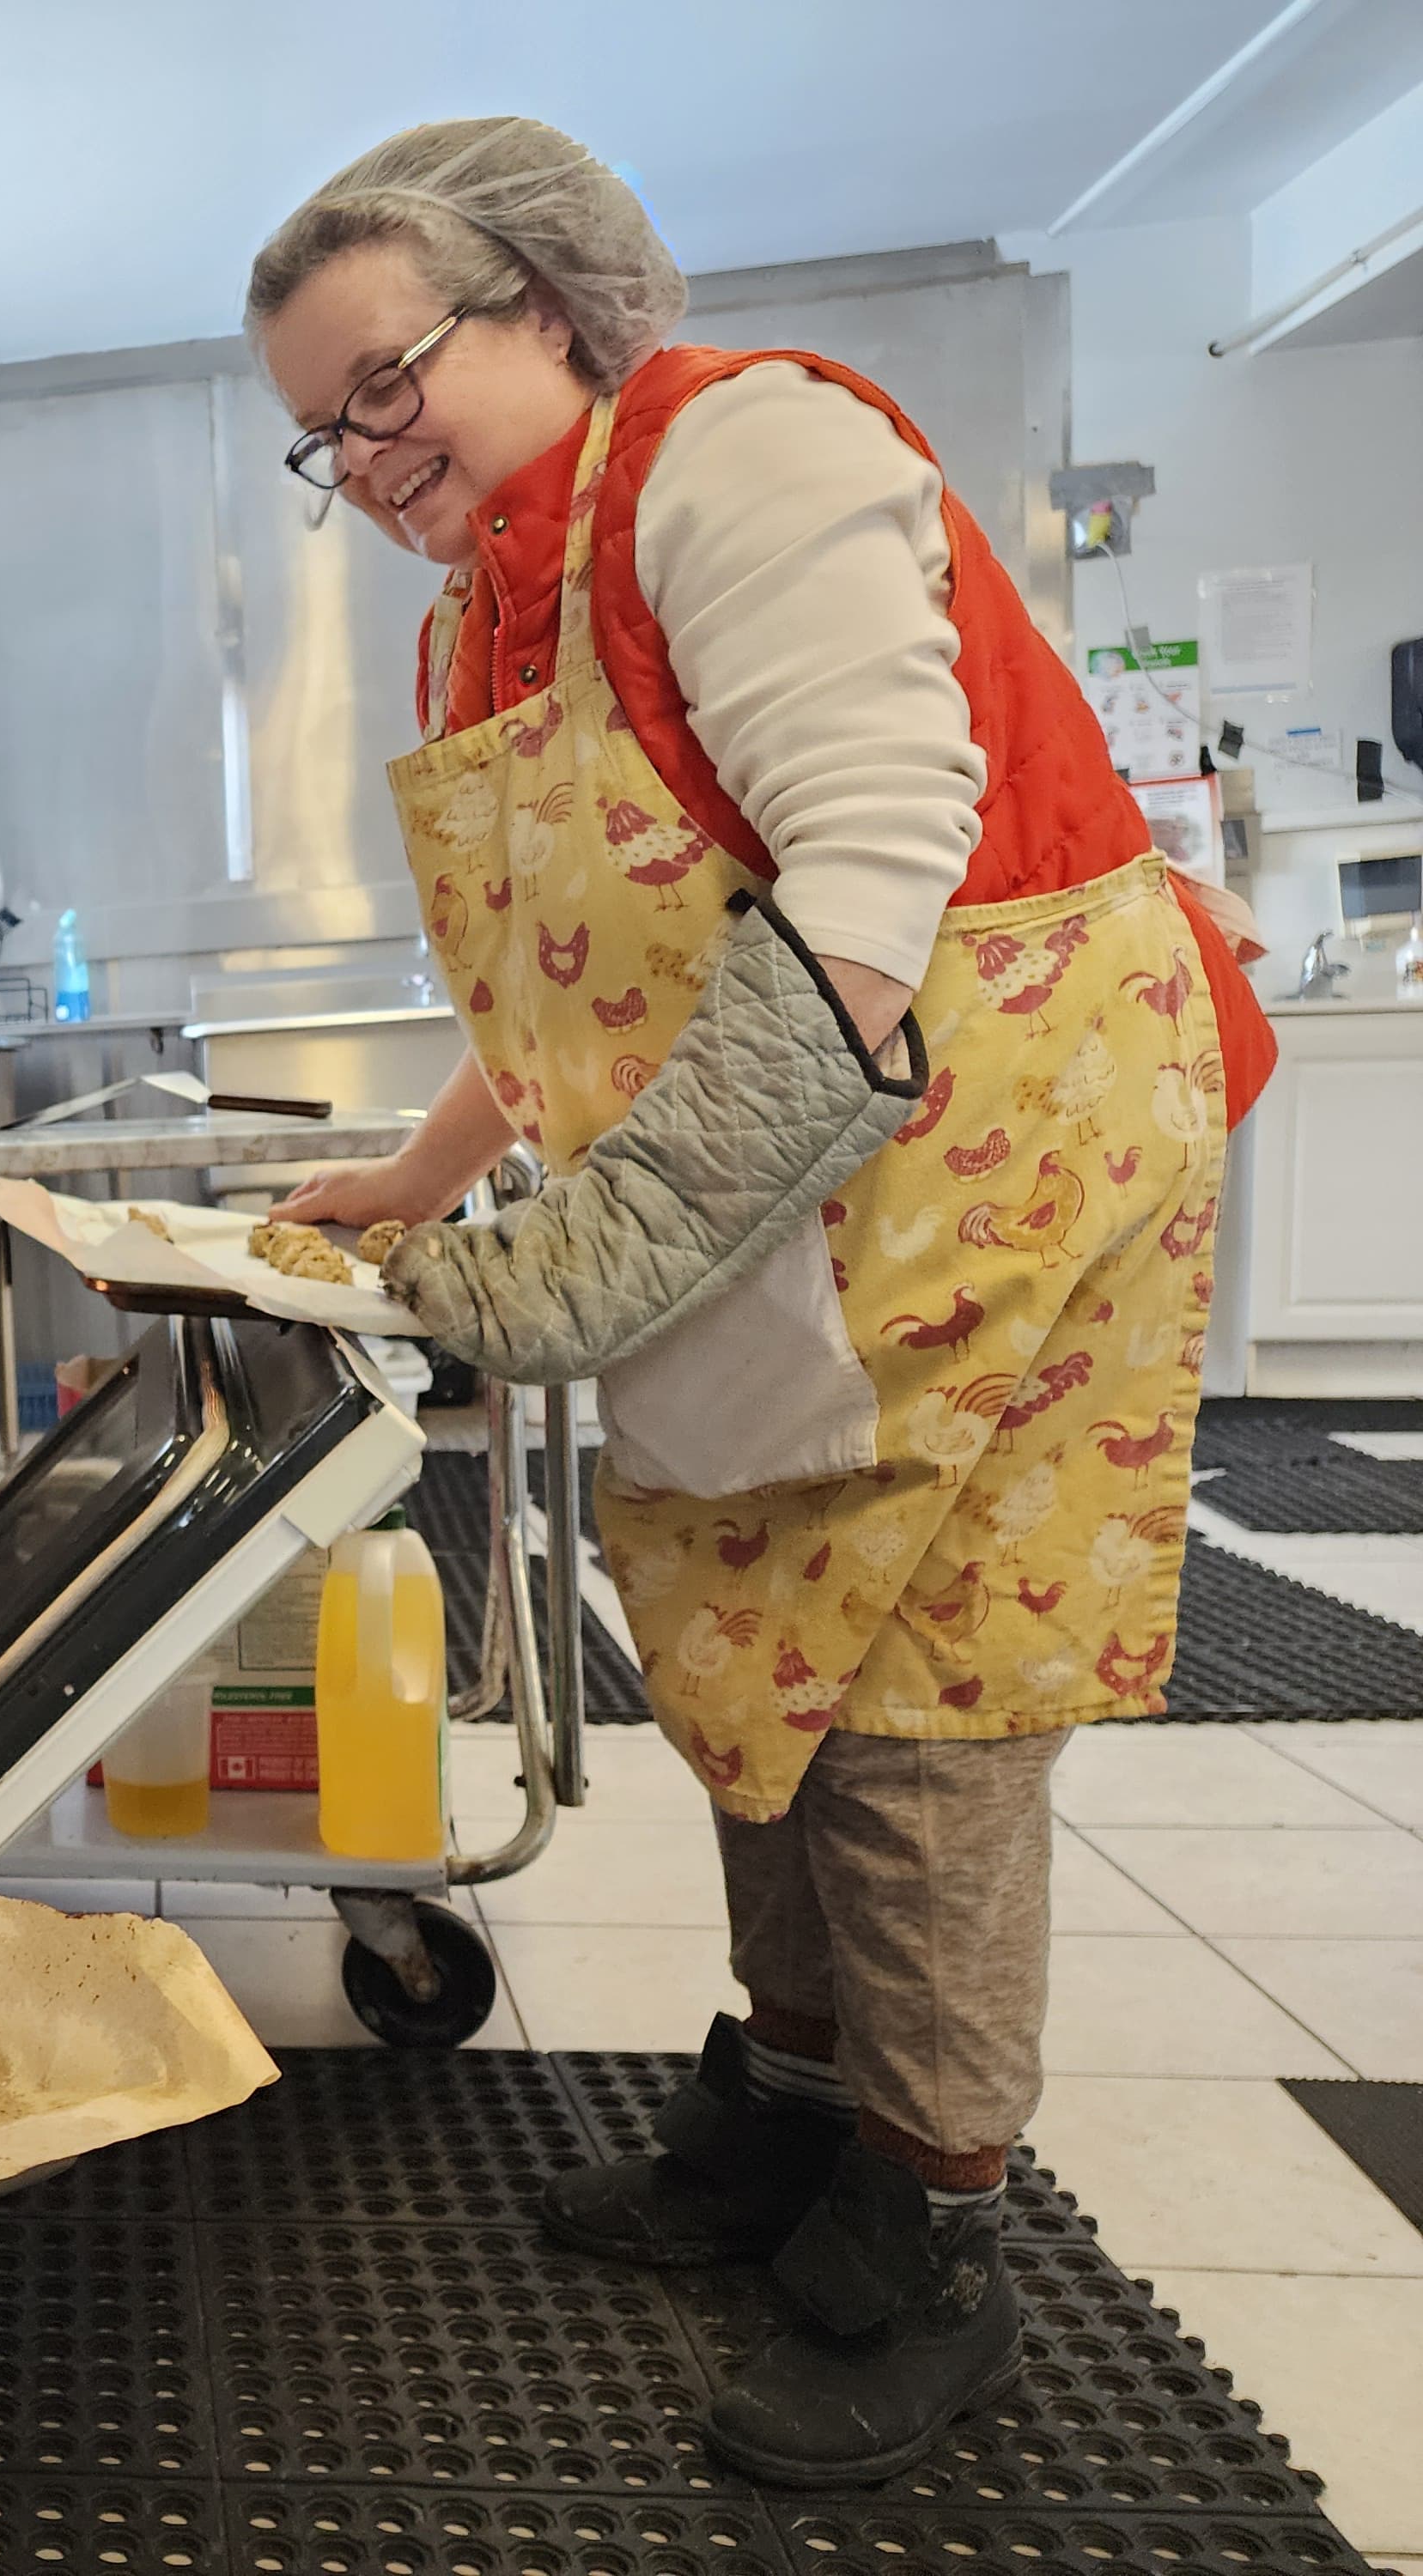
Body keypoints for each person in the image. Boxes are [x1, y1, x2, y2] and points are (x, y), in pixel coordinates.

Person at [246, 118, 1274, 2486]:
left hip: (990, 1161)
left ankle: (937, 2234)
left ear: (554, 305)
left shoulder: (743, 452)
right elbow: (563, 972)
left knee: (917, 1703)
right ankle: (795, 2115)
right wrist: (420, 1176)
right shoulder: (484, 596)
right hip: (776, 1175)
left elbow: (874, 864)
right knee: (740, 1627)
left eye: (388, 385)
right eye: (326, 433)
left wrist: (594, 1254)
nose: (364, 455)